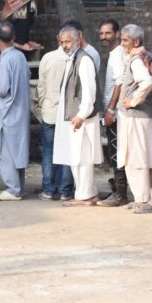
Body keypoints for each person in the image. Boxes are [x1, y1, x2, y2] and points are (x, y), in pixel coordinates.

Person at [53, 26, 104, 207]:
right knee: (78, 158)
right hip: (77, 117)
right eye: (62, 42)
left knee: (82, 158)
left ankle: (85, 196)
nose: (65, 45)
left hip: (83, 118)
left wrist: (81, 115)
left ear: (77, 40)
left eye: (68, 41)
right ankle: (86, 193)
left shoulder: (84, 60)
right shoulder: (72, 59)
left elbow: (89, 92)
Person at [116, 24, 152, 213]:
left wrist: (133, 101)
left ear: (136, 41)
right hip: (143, 116)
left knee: (136, 158)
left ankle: (142, 199)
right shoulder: (144, 56)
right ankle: (149, 199)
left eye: (125, 40)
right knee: (147, 158)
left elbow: (147, 82)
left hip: (136, 116)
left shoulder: (136, 59)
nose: (122, 43)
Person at [0, 20, 31, 201]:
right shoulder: (20, 56)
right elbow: (27, 75)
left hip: (6, 113)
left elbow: (1, 88)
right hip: (20, 111)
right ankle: (17, 187)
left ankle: (12, 189)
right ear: (14, 37)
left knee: (6, 152)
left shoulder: (5, 60)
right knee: (17, 150)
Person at [36, 35, 75, 201]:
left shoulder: (48, 58)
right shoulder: (75, 59)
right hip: (68, 114)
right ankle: (65, 191)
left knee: (48, 153)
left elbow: (41, 87)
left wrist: (42, 106)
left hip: (50, 112)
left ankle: (49, 190)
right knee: (67, 152)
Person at [98, 18, 129, 207]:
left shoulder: (117, 54)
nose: (104, 37)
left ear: (117, 34)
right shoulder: (114, 53)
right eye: (101, 33)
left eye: (108, 33)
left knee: (116, 153)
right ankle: (116, 189)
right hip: (114, 112)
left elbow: (119, 82)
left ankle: (120, 194)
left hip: (116, 113)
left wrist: (110, 109)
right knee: (114, 152)